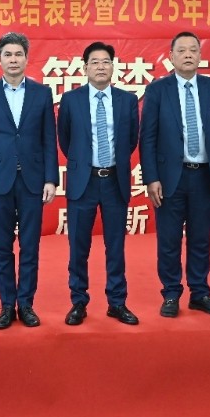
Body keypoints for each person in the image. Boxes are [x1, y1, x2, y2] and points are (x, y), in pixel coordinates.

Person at [140, 31, 210, 319]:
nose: (188, 54)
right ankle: (171, 293)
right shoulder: (158, 90)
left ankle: (200, 293)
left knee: (200, 238)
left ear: (201, 55)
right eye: (181, 50)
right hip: (171, 177)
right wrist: (151, 178)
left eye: (193, 49)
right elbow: (148, 138)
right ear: (171, 57)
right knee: (169, 240)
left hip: (205, 175)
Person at [0, 32, 59, 329]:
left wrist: (51, 178)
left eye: (18, 54)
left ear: (26, 58)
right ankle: (7, 305)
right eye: (8, 55)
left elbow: (49, 139)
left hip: (33, 180)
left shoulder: (42, 93)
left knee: (30, 246)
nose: (13, 59)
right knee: (1, 247)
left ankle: (27, 303)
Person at [57, 42, 140, 326]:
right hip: (83, 182)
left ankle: (117, 302)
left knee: (115, 246)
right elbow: (65, 139)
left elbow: (131, 140)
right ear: (85, 68)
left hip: (115, 180)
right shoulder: (71, 100)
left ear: (113, 67)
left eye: (106, 62)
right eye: (95, 62)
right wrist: (84, 163)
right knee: (78, 246)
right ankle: (78, 301)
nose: (101, 67)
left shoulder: (127, 100)